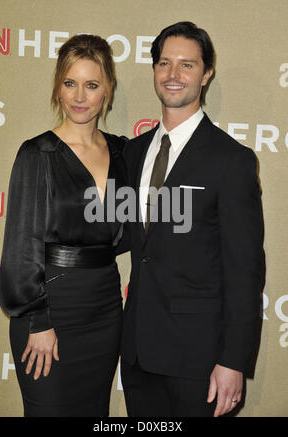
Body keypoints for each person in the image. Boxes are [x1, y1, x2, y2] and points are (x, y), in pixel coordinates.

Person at [121, 21, 265, 417]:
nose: (173, 75)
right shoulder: (133, 154)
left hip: (198, 362)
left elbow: (244, 270)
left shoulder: (231, 160)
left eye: (187, 65)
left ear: (206, 74)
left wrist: (234, 360)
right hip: (136, 355)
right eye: (164, 63)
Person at [0, 34, 128, 417]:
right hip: (50, 310)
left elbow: (123, 230)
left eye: (91, 85)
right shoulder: (38, 153)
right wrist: (38, 321)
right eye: (70, 83)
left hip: (105, 309)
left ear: (107, 90)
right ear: (58, 86)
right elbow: (22, 246)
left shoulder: (122, 152)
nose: (79, 96)